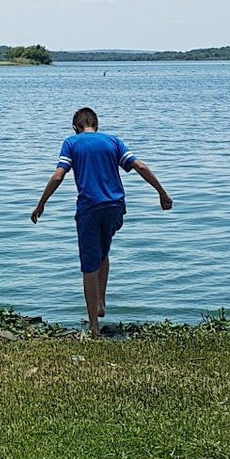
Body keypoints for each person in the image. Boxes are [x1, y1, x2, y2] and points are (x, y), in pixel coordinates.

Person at [30, 106, 172, 335]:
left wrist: (41, 203)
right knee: (102, 253)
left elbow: (59, 174)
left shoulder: (71, 143)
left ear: (75, 127)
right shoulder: (113, 141)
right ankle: (100, 304)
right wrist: (162, 193)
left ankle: (94, 327)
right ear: (96, 125)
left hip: (90, 208)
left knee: (88, 265)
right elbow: (139, 166)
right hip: (115, 207)